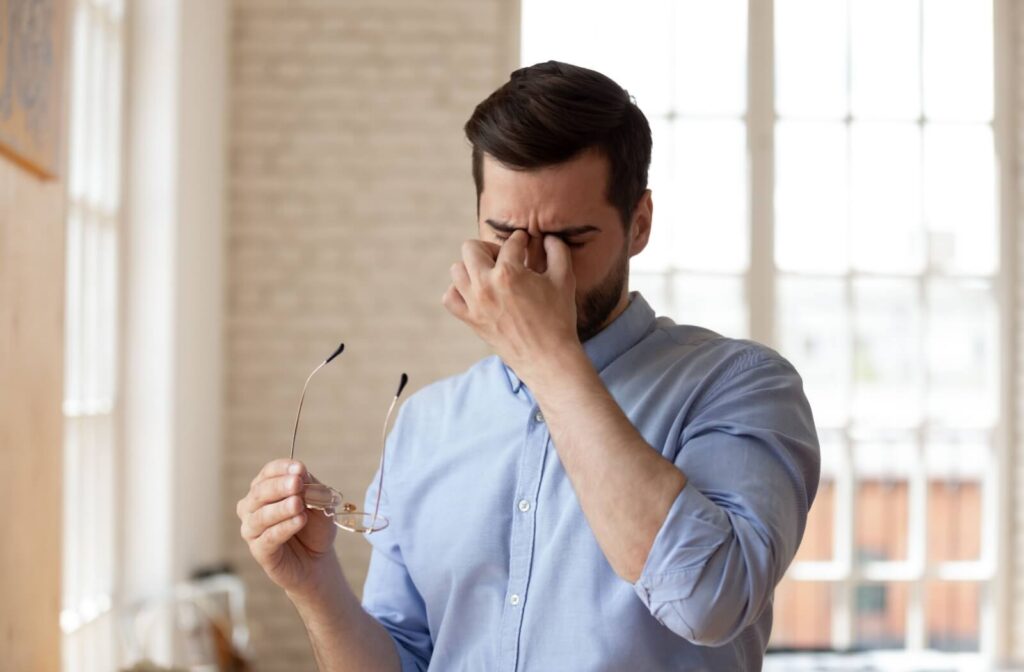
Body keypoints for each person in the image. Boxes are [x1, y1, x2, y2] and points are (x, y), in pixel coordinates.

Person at [236, 61, 820, 671]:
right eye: (505, 231)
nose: (528, 265)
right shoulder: (426, 426)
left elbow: (708, 602)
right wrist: (315, 585)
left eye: (569, 238)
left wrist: (547, 354)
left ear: (638, 224)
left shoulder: (741, 386)